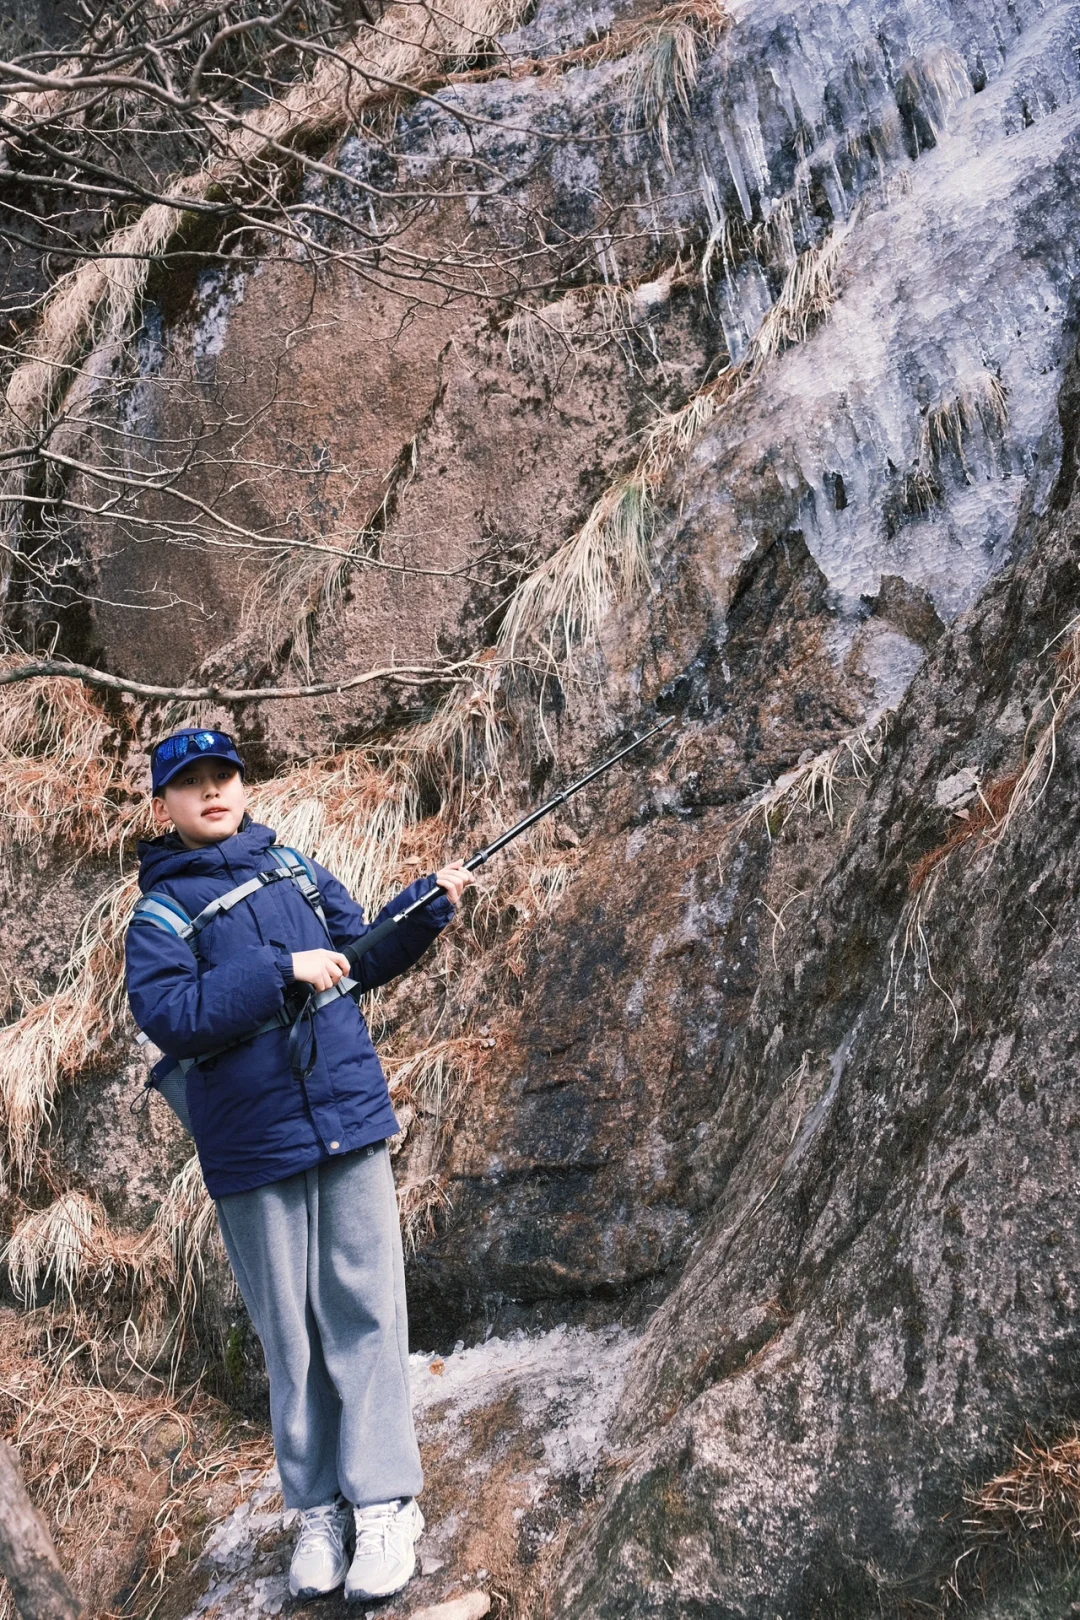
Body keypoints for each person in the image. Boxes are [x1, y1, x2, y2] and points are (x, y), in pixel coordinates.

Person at [125, 727, 474, 1603]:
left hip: (346, 1118)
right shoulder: (158, 917)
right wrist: (283, 968)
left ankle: (385, 1504)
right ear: (163, 805)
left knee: (367, 1312)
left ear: (244, 787)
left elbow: (360, 955)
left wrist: (423, 906)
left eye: (225, 776)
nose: (213, 791)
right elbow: (173, 1014)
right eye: (192, 782)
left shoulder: (296, 871)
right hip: (252, 1148)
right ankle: (319, 1510)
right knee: (292, 1334)